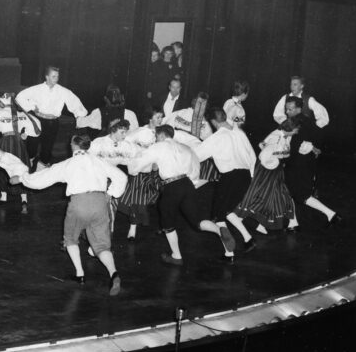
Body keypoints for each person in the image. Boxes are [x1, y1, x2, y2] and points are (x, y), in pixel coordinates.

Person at [21, 133, 126, 295]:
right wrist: (111, 193)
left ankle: (80, 274)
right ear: (88, 146)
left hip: (79, 203)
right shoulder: (99, 161)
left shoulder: (68, 164)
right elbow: (121, 177)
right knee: (101, 245)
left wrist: (23, 178)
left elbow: (41, 180)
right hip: (100, 202)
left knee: (70, 238)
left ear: (73, 146)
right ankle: (114, 273)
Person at [127, 125, 237, 265]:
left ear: (161, 136)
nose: (155, 139)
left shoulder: (158, 146)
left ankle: (176, 256)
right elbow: (196, 167)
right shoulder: (186, 148)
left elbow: (136, 165)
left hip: (171, 186)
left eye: (156, 137)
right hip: (187, 184)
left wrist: (132, 167)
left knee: (167, 222)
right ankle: (219, 230)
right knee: (197, 221)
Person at [194, 108, 257, 261]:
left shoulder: (217, 137)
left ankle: (229, 253)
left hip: (230, 177)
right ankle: (249, 239)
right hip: (245, 176)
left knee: (218, 216)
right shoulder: (239, 133)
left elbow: (197, 155)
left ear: (214, 122)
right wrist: (250, 176)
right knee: (227, 210)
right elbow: (253, 157)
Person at [229, 119, 300, 246]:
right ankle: (240, 219)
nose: (297, 132)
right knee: (262, 195)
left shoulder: (282, 135)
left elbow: (261, 144)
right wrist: (271, 162)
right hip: (268, 171)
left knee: (275, 195)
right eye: (296, 129)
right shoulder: (277, 137)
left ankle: (260, 223)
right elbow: (263, 154)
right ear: (290, 129)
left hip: (275, 170)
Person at [14, 66, 88, 170]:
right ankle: (27, 165)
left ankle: (41, 172)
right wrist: (31, 106)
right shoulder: (37, 89)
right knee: (32, 146)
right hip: (38, 120)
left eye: (57, 76)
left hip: (52, 122)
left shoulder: (62, 91)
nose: (56, 79)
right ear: (47, 77)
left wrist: (80, 115)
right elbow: (19, 97)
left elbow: (75, 103)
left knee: (47, 148)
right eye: (53, 76)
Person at [282, 99, 340, 225]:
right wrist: (314, 149)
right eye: (286, 109)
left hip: (297, 164)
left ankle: (294, 223)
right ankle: (330, 214)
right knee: (298, 194)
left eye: (290, 109)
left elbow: (294, 146)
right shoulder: (309, 121)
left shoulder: (295, 123)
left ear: (299, 109)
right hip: (307, 163)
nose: (287, 112)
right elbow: (316, 140)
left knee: (292, 192)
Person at [88, 120, 141, 234]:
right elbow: (87, 161)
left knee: (111, 209)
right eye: (122, 132)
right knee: (94, 209)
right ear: (113, 130)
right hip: (97, 179)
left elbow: (138, 156)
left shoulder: (126, 145)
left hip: (115, 179)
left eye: (126, 132)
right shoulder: (99, 143)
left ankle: (108, 237)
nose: (125, 135)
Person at [121, 110, 167, 240]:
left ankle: (165, 226)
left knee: (163, 198)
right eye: (157, 117)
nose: (160, 119)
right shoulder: (140, 131)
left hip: (158, 171)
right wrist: (137, 153)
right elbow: (125, 142)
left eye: (161, 117)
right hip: (141, 170)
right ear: (150, 118)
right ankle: (132, 228)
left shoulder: (163, 132)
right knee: (137, 199)